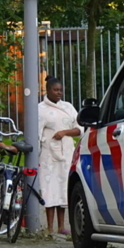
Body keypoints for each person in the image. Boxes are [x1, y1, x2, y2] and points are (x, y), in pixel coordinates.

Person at [38, 77, 81, 235]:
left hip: (67, 153)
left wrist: (64, 132)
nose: (59, 93)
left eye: (61, 90)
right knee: (50, 188)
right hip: (48, 154)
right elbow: (36, 133)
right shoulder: (40, 109)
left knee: (63, 188)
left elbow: (79, 128)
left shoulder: (68, 107)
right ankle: (49, 227)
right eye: (55, 90)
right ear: (48, 90)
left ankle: (62, 226)